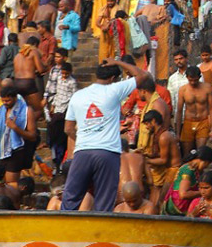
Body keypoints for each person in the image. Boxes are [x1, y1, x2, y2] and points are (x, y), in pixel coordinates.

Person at [62, 58, 152, 212]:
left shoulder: (78, 95)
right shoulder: (115, 89)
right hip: (107, 153)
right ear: (113, 79)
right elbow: (144, 76)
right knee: (104, 202)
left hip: (82, 152)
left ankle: (62, 232)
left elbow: (68, 129)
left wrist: (85, 140)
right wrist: (118, 62)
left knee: (70, 199)